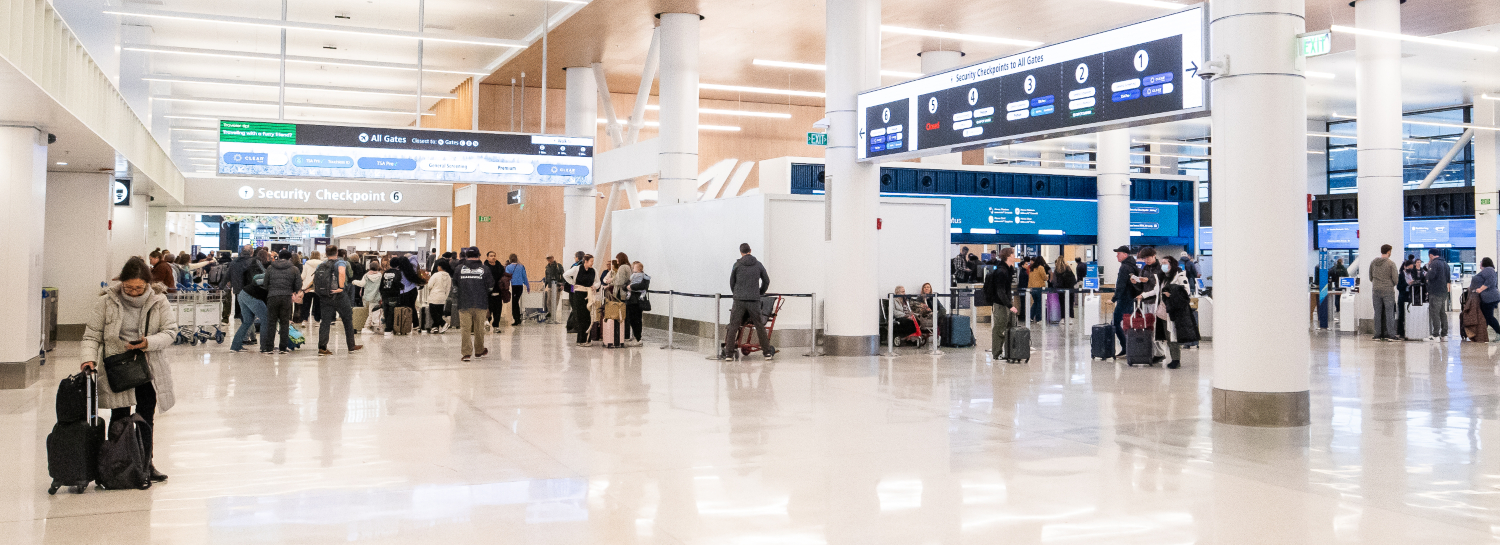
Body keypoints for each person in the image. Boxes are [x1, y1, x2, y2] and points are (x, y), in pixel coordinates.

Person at [80, 257, 176, 486]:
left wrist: (147, 342)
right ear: (121, 283)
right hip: (117, 368)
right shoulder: (106, 302)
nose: (133, 292)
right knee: (120, 416)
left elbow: (171, 332)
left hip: (147, 367)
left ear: (148, 284)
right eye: (128, 287)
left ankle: (145, 464)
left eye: (138, 288)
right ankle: (117, 464)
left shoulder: (159, 301)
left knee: (145, 417)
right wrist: (87, 360)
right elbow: (92, 335)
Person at [722, 243, 775, 360]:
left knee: (733, 326)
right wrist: (760, 292)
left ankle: (729, 354)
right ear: (750, 250)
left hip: (739, 300)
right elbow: (766, 280)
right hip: (754, 300)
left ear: (741, 252)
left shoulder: (737, 265)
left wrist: (736, 293)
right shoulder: (758, 264)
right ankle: (766, 353)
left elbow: (732, 282)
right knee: (759, 326)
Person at [315, 248, 363, 355]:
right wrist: (341, 287)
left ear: (326, 253)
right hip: (340, 295)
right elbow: (342, 271)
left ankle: (322, 347)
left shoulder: (322, 264)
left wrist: (305, 289)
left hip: (326, 296)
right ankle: (351, 345)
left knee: (325, 322)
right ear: (337, 253)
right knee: (347, 319)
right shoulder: (341, 262)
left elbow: (315, 278)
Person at [453, 248, 493, 361]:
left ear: (466, 256)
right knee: (479, 328)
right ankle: (479, 350)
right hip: (480, 303)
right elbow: (490, 287)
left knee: (465, 329)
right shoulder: (485, 269)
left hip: (464, 303)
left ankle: (466, 353)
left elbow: (454, 286)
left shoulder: (459, 269)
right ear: (479, 256)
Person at [1156, 256, 1196, 369]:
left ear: (1171, 264)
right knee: (1168, 337)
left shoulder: (1180, 276)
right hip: (1163, 311)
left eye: (1165, 263)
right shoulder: (1162, 277)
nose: (1163, 265)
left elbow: (1186, 291)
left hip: (1174, 311)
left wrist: (1172, 294)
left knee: (1173, 337)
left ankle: (1176, 360)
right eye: (1162, 263)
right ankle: (1173, 358)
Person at [230, 248, 271, 352]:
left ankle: (235, 347)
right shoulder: (266, 273)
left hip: (243, 293)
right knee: (265, 319)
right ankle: (264, 347)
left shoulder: (256, 266)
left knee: (247, 321)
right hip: (252, 296)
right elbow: (257, 280)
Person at [263, 250, 302, 353]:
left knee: (271, 322)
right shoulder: (294, 269)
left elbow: (265, 284)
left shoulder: (270, 267)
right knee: (284, 323)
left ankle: (269, 348)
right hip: (286, 297)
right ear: (290, 258)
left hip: (272, 297)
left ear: (278, 257)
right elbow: (298, 286)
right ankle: (283, 348)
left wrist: (271, 290)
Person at [984, 247, 1018, 360]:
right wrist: (1010, 306)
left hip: (1006, 302)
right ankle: (996, 353)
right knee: (999, 328)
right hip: (1000, 304)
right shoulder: (1001, 271)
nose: (1014, 256)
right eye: (1013, 254)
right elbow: (1000, 291)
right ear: (1008, 256)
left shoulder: (1008, 269)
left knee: (1009, 327)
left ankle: (1010, 351)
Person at [1111, 246, 1141, 356]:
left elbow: (1121, 285)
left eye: (1118, 253)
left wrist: (1114, 298)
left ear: (1125, 254)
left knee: (1115, 323)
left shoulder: (1124, 267)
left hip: (1124, 299)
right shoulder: (1133, 266)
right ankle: (1129, 347)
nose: (1116, 256)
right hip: (1130, 298)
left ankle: (1125, 347)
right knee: (1126, 323)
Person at [1369, 244, 1400, 341]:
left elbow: (1370, 277)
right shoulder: (1391, 264)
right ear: (1388, 252)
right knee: (1389, 312)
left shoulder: (1373, 263)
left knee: (1377, 312)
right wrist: (1390, 284)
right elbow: (1396, 279)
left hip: (1376, 289)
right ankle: (1391, 335)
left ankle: (1377, 334)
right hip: (1388, 290)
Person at [1470, 258, 1500, 339]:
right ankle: (1482, 334)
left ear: (1484, 263)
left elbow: (1490, 281)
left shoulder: (1488, 269)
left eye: (1481, 261)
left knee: (1488, 317)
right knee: (1485, 316)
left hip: (1490, 298)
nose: (1480, 263)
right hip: (1488, 297)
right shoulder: (1487, 270)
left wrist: (1480, 289)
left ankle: (1498, 332)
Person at [570, 255, 597, 346]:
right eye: (591, 261)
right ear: (585, 261)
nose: (592, 263)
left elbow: (598, 282)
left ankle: (587, 340)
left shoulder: (593, 270)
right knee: (580, 316)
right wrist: (573, 284)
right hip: (578, 294)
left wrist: (595, 286)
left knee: (587, 316)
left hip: (588, 294)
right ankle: (581, 340)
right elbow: (565, 275)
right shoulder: (576, 268)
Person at [353, 259, 385, 333]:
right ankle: (366, 327)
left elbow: (361, 284)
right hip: (375, 297)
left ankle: (366, 327)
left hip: (366, 297)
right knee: (372, 313)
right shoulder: (380, 276)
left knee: (368, 313)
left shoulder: (366, 275)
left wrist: (354, 281)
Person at [1426, 249, 1452, 341]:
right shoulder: (1445, 264)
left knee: (1434, 312)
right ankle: (1444, 335)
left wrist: (1428, 268)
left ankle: (1435, 335)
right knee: (1442, 313)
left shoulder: (1434, 263)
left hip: (1435, 291)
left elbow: (1430, 276)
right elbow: (1448, 279)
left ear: (1430, 255)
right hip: (1443, 291)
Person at [424, 260, 453, 334]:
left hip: (434, 296)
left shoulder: (436, 275)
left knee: (433, 313)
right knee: (439, 313)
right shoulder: (448, 276)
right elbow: (448, 288)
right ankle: (435, 327)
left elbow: (429, 285)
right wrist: (445, 296)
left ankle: (444, 323)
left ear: (440, 267)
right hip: (443, 297)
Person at [626, 261, 650, 347]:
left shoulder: (644, 277)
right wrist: (628, 287)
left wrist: (631, 287)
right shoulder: (632, 276)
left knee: (637, 320)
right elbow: (625, 285)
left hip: (637, 302)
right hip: (630, 301)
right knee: (632, 319)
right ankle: (635, 337)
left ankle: (638, 338)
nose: (633, 269)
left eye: (634, 267)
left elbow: (643, 286)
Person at [296, 251, 324, 327]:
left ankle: (304, 320)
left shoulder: (307, 264)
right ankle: (317, 321)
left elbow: (303, 276)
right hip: (318, 287)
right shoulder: (322, 263)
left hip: (307, 287)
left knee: (306, 304)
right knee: (318, 304)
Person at [485, 251, 507, 330]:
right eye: (491, 256)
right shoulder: (485, 267)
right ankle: (487, 322)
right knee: (488, 309)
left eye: (494, 255)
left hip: (498, 291)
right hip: (488, 292)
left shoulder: (500, 267)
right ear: (487, 257)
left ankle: (496, 325)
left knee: (498, 310)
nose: (493, 257)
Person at [506, 254, 530, 326]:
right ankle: (518, 319)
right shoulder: (521, 266)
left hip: (512, 286)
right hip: (520, 286)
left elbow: (507, 278)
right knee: (516, 302)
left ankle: (516, 319)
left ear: (510, 259)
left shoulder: (508, 267)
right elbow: (524, 276)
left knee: (514, 303)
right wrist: (527, 286)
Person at [543, 255, 565, 323]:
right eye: (548, 259)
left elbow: (563, 275)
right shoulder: (547, 267)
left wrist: (563, 284)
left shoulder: (558, 266)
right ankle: (550, 316)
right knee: (548, 302)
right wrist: (544, 286)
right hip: (550, 286)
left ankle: (554, 317)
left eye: (550, 258)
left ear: (553, 258)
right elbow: (547, 277)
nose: (549, 260)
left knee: (555, 301)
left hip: (557, 286)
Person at [1028, 256, 1050, 322]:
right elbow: (1044, 278)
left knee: (1035, 302)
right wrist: (1048, 276)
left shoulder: (1031, 268)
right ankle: (1038, 319)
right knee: (1039, 304)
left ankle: (1031, 317)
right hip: (1039, 287)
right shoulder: (1041, 267)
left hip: (1032, 288)